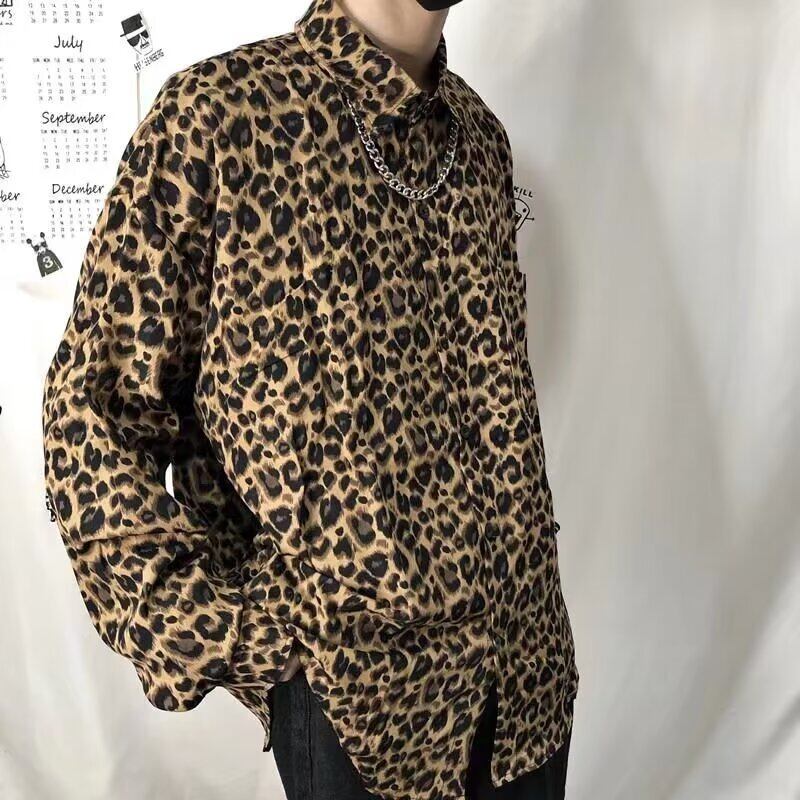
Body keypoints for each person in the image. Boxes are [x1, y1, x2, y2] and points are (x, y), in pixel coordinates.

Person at [41, 0, 579, 798]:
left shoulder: (478, 142)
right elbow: (94, 412)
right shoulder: (220, 119)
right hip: (361, 703)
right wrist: (218, 629)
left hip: (528, 685)